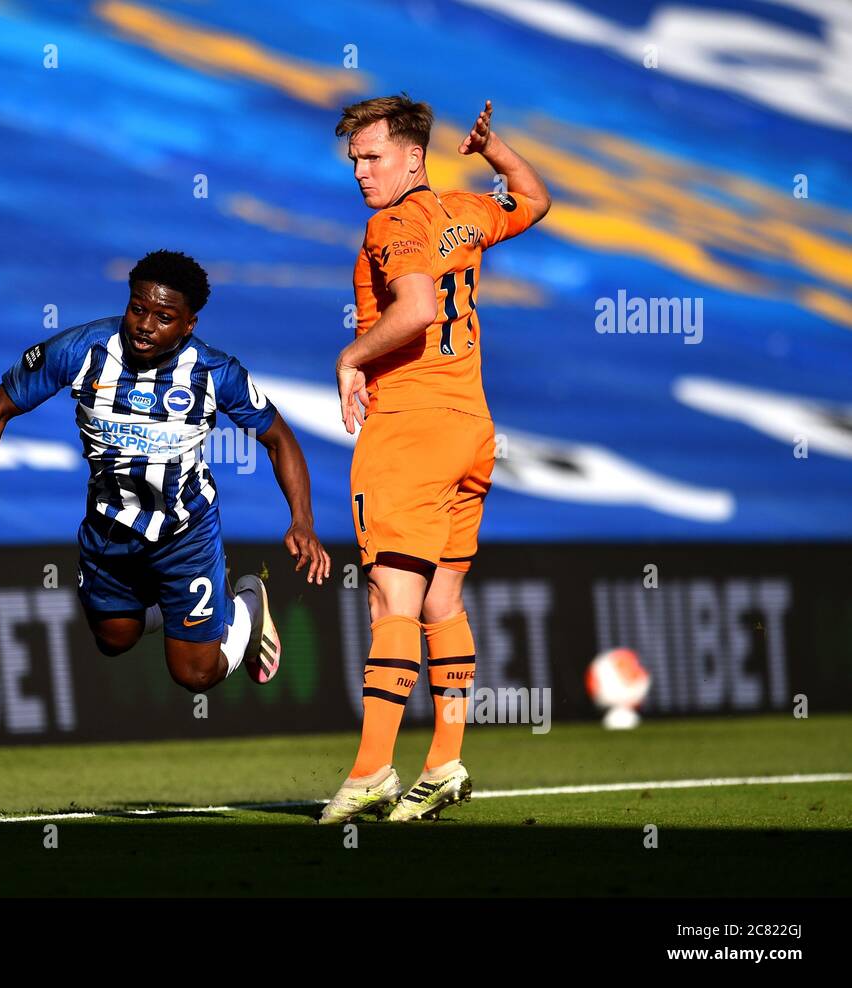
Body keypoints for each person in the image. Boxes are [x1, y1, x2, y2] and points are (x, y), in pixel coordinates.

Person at [0, 249, 331, 692]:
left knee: (195, 675)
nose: (145, 325)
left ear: (189, 324)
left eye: (164, 316)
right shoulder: (82, 351)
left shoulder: (214, 373)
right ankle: (171, 606)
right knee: (115, 638)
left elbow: (279, 439)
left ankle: (247, 606)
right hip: (109, 528)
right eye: (138, 309)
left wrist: (302, 520)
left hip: (184, 532)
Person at [321, 97, 551, 823]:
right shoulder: (462, 210)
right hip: (472, 427)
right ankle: (445, 762)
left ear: (412, 156)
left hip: (412, 430)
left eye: (372, 157)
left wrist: (353, 355)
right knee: (442, 602)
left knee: (392, 602)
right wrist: (497, 150)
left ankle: (369, 772)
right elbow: (537, 201)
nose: (360, 172)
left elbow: (416, 307)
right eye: (354, 159)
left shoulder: (394, 223)